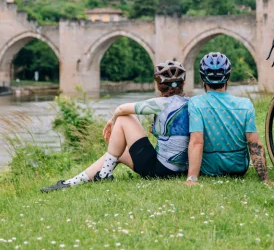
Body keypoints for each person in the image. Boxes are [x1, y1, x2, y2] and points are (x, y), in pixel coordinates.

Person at [40, 60, 190, 192]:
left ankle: (104, 175)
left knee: (124, 118)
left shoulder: (160, 103)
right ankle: (71, 183)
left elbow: (122, 109)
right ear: (183, 83)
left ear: (159, 86)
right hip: (181, 169)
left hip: (161, 170)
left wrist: (112, 121)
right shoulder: (191, 103)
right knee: (118, 153)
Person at [185, 52, 274, 187]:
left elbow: (197, 142)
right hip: (238, 169)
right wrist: (265, 180)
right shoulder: (245, 105)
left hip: (209, 169)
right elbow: (254, 144)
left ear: (202, 78)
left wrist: (192, 179)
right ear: (227, 77)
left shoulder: (195, 103)